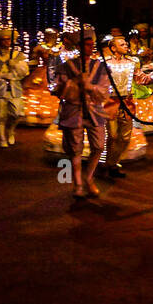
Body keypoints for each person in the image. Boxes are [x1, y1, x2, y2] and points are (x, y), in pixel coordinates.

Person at [52, 29, 111, 198]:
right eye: (87, 44)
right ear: (79, 46)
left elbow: (104, 92)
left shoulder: (100, 67)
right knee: (75, 149)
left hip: (94, 111)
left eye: (92, 44)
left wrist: (91, 88)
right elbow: (59, 90)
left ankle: (89, 178)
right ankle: (77, 184)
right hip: (74, 111)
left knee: (99, 146)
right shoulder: (66, 66)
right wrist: (74, 83)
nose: (90, 47)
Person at [100, 34, 148, 178]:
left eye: (126, 44)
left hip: (127, 102)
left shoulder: (133, 62)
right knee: (112, 136)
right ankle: (110, 164)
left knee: (125, 137)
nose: (126, 46)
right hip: (110, 102)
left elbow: (141, 79)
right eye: (122, 44)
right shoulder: (105, 62)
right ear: (113, 48)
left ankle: (112, 163)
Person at [0, 27, 30, 147]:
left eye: (8, 40)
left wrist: (15, 66)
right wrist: (3, 75)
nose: (6, 42)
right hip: (0, 90)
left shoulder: (17, 55)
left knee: (17, 114)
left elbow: (24, 72)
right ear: (0, 41)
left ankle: (11, 131)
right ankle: (2, 138)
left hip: (15, 89)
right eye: (4, 40)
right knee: (1, 115)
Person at [23, 28, 64, 126]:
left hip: (55, 72)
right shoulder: (40, 47)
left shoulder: (60, 47)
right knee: (37, 91)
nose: (50, 37)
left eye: (53, 36)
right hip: (43, 71)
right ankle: (35, 116)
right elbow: (35, 61)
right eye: (48, 35)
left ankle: (52, 116)